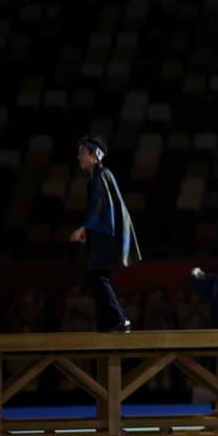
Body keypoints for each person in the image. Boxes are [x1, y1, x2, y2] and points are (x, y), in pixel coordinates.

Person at [69, 135, 140, 332]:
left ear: (94, 155)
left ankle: (118, 318)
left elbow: (100, 207)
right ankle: (108, 322)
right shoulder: (99, 177)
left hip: (108, 238)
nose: (79, 157)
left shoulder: (102, 176)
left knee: (96, 277)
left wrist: (84, 227)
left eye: (83, 153)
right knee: (95, 278)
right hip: (104, 236)